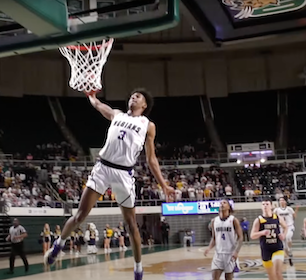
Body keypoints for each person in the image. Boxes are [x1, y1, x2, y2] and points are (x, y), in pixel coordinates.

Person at [44, 88, 175, 280]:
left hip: (124, 174)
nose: (133, 97)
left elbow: (151, 159)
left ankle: (138, 270)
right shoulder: (117, 114)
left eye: (138, 96)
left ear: (144, 105)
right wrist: (91, 96)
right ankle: (58, 246)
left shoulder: (148, 125)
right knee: (80, 215)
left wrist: (163, 184)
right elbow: (98, 105)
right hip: (102, 168)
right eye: (132, 95)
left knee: (131, 225)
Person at [204, 199, 243, 280]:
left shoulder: (233, 220)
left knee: (228, 278)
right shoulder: (214, 221)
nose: (222, 204)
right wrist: (209, 248)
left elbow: (240, 237)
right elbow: (214, 238)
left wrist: (236, 251)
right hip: (218, 254)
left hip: (230, 254)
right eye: (220, 203)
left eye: (224, 203)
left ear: (229, 207)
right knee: (214, 277)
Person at [251, 199, 287, 280]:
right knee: (271, 276)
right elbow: (252, 235)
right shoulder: (258, 220)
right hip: (266, 250)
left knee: (278, 273)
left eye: (267, 204)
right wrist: (262, 233)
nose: (265, 206)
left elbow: (286, 227)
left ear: (271, 206)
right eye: (263, 204)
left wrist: (283, 234)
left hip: (277, 248)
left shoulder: (277, 217)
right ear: (261, 207)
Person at [273, 197, 298, 266]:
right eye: (280, 200)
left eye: (283, 200)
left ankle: (290, 249)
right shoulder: (276, 210)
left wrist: (296, 211)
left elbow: (294, 217)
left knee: (288, 237)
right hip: (281, 227)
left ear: (285, 202)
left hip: (289, 226)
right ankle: (289, 255)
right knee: (283, 246)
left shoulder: (289, 209)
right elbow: (272, 216)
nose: (281, 201)